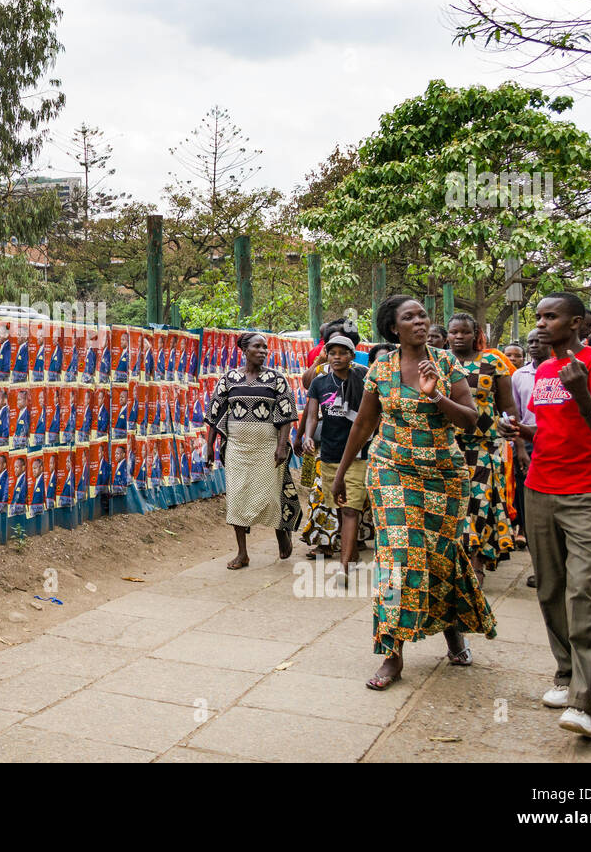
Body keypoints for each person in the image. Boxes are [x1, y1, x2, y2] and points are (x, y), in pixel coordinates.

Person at [331, 295, 496, 691]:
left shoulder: (446, 363)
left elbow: (471, 421)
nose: (420, 321)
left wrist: (435, 395)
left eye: (423, 315)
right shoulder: (381, 368)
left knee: (441, 558)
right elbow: (364, 424)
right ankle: (392, 654)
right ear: (394, 328)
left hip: (444, 476)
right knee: (398, 557)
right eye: (410, 317)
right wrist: (341, 473)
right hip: (392, 472)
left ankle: (452, 631)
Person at [499, 292, 591, 738]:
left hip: (587, 493)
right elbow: (553, 428)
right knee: (550, 587)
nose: (540, 324)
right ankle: (565, 673)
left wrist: (583, 394)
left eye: (550, 316)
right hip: (539, 488)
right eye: (538, 316)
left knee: (583, 590)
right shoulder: (546, 370)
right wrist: (521, 429)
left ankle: (584, 703)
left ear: (576, 323)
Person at [205, 332, 301, 571]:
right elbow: (215, 413)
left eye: (265, 348)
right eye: (257, 347)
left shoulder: (276, 379)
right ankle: (242, 553)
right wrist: (209, 445)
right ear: (244, 350)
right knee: (237, 498)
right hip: (237, 447)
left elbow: (287, 413)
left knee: (270, 496)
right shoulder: (229, 379)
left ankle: (281, 533)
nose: (263, 351)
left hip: (267, 447)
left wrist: (281, 446)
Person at [445, 312, 517, 581]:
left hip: (483, 445)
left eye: (465, 332)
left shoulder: (492, 362)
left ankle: (476, 563)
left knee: (479, 503)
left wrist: (514, 438)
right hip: (449, 444)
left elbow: (508, 407)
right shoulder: (440, 362)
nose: (459, 337)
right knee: (454, 504)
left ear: (476, 334)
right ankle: (453, 561)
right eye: (454, 332)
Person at [299, 333, 368, 578]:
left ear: (351, 356)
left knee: (351, 509)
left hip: (359, 454)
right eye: (332, 353)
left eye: (342, 353)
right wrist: (307, 436)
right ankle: (352, 553)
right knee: (339, 505)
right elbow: (311, 414)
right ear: (326, 355)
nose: (337, 357)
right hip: (329, 452)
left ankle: (345, 564)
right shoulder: (319, 382)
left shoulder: (363, 378)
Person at [510, 329, 552, 585]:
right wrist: (520, 448)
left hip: (556, 442)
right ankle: (540, 567)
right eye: (531, 341)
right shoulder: (519, 375)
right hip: (528, 443)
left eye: (540, 340)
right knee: (530, 507)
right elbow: (513, 414)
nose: (535, 345)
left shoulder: (562, 371)